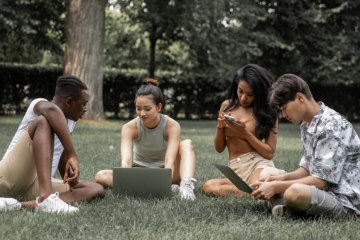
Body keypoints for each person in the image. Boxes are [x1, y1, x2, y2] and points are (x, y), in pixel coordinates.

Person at [250, 74, 360, 218]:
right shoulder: (307, 123)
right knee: (266, 173)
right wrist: (278, 180)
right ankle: (284, 206)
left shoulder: (330, 126)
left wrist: (276, 186)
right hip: (322, 189)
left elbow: (319, 181)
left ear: (300, 98)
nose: (283, 115)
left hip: (343, 199)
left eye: (284, 108)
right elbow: (307, 169)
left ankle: (282, 203)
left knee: (294, 192)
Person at [0, 75, 105, 214]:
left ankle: (17, 205)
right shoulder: (40, 104)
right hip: (8, 179)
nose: (85, 109)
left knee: (95, 189)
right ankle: (46, 198)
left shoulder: (70, 123)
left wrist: (71, 181)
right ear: (69, 102)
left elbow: (61, 158)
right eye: (83, 103)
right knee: (44, 122)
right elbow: (52, 110)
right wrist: (73, 155)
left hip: (37, 185)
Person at [95, 79, 197, 200]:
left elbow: (170, 160)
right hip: (140, 172)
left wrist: (165, 180)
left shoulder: (172, 125)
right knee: (101, 176)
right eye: (138, 108)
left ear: (159, 107)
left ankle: (185, 188)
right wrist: (125, 179)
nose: (142, 113)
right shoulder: (129, 127)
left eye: (147, 109)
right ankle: (159, 187)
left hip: (166, 172)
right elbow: (126, 162)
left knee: (186, 144)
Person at [202, 64, 282, 197]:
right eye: (240, 91)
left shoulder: (268, 112)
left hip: (257, 164)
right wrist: (220, 127)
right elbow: (219, 148)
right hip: (235, 170)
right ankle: (253, 192)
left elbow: (269, 153)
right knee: (208, 186)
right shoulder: (227, 105)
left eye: (250, 94)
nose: (244, 98)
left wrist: (245, 132)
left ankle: (258, 190)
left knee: (257, 185)